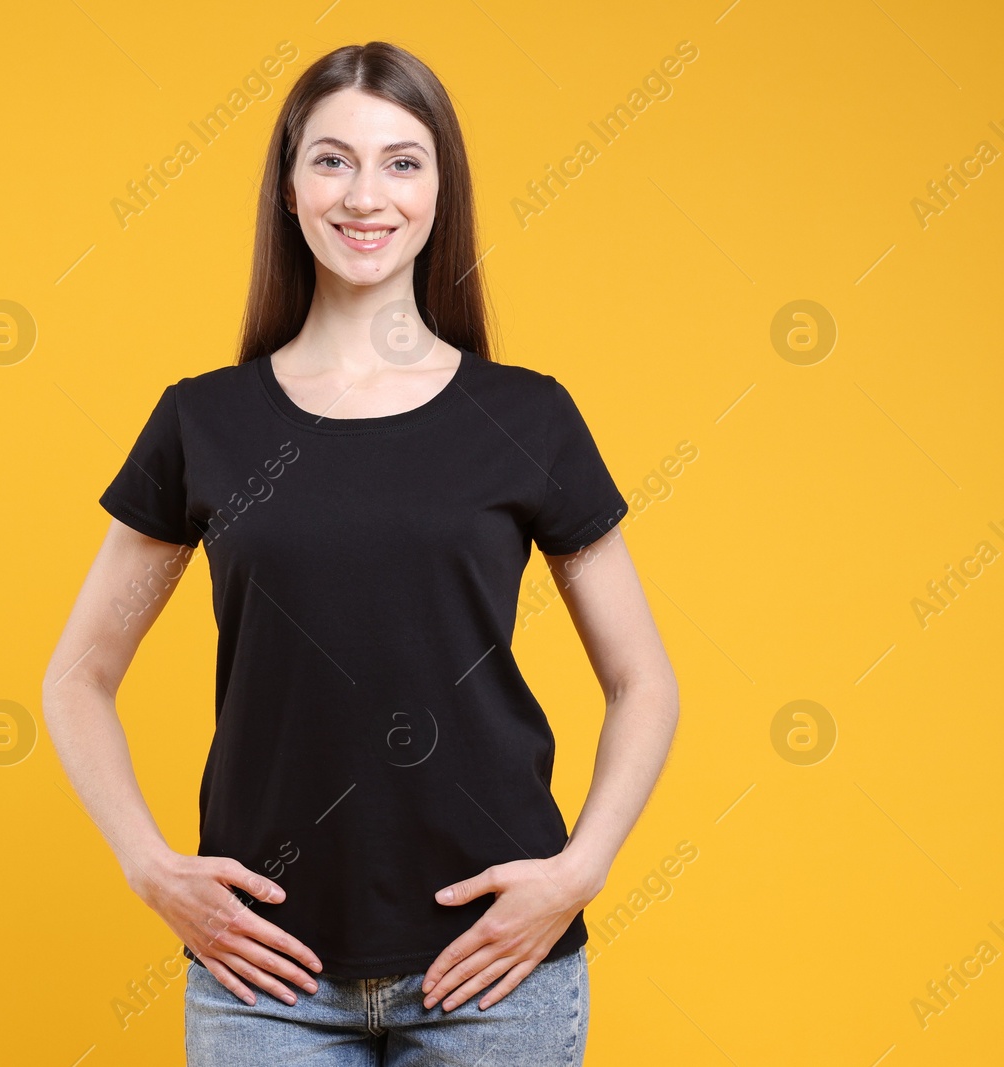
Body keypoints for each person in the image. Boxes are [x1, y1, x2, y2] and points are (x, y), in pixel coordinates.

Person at [42, 40, 678, 1066]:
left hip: (493, 973)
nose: (365, 194)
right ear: (287, 190)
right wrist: (151, 868)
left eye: (401, 161)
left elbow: (643, 678)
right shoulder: (202, 423)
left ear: (439, 191)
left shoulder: (525, 415)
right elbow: (76, 677)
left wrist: (577, 871)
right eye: (331, 160)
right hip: (267, 980)